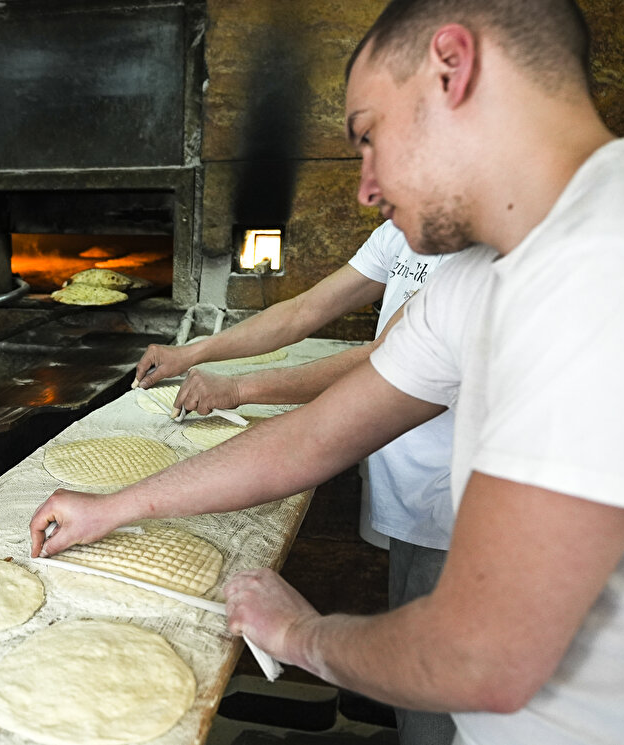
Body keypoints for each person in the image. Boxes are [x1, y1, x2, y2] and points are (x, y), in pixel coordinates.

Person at [31, 2, 624, 743]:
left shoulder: (619, 262)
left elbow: (482, 655)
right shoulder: (481, 273)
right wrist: (110, 507)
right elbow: (313, 438)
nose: (365, 185)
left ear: (452, 67)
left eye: (369, 135)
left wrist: (303, 635)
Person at [134, 220, 457, 745]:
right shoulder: (401, 228)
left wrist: (239, 387)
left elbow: (382, 358)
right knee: (416, 654)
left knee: (435, 684)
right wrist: (193, 353)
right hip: (414, 482)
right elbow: (304, 310)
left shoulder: (483, 253)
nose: (371, 191)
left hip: (460, 495)